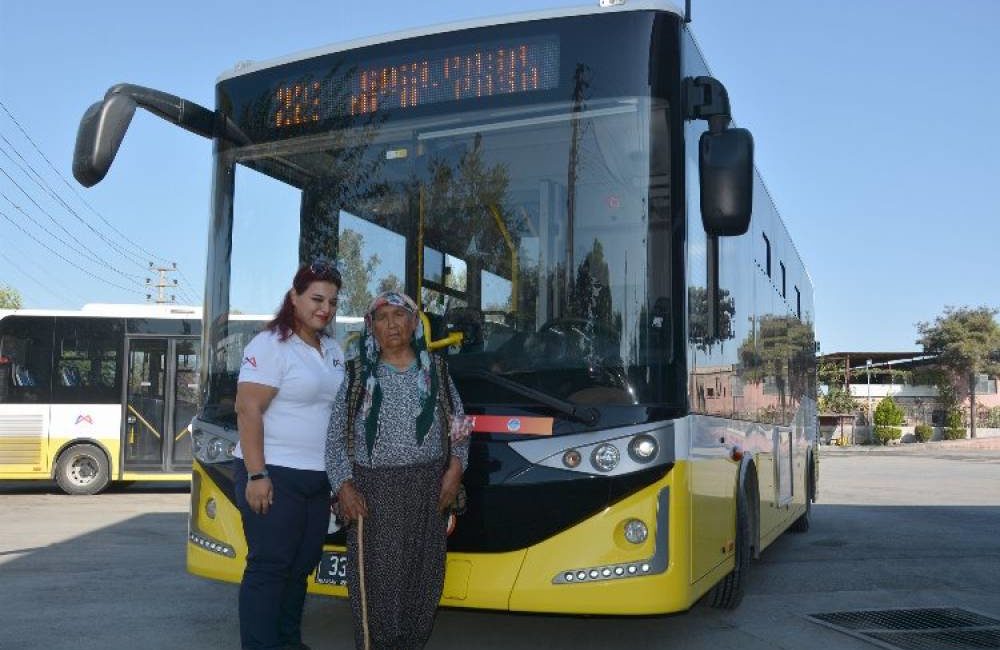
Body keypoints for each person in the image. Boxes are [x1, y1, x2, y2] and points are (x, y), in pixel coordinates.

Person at [325, 291, 470, 650]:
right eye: (382, 317)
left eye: (400, 315)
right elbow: (335, 438)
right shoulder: (358, 375)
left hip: (429, 488)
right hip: (374, 492)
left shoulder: (436, 370)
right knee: (378, 582)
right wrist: (344, 487)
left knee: (424, 577)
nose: (391, 324)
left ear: (414, 322)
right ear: (371, 327)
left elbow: (460, 426)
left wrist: (455, 469)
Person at [233, 261, 345, 650]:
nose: (325, 309)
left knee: (300, 568)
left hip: (317, 478)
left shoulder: (332, 349)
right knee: (270, 567)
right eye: (317, 299)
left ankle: (287, 643)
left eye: (332, 302)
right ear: (294, 297)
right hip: (274, 474)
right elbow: (248, 409)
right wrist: (257, 474)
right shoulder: (270, 344)